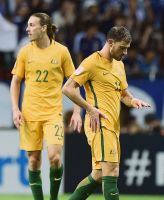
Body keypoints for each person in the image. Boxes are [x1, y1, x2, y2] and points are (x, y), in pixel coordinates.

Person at [62, 26, 151, 200]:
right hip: (99, 124)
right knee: (112, 171)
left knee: (99, 174)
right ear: (110, 43)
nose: (125, 52)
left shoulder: (119, 65)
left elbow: (123, 94)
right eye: (122, 47)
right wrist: (89, 108)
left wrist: (133, 101)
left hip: (112, 126)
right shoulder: (91, 62)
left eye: (127, 48)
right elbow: (68, 89)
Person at [10, 13, 82, 200]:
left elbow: (74, 82)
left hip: (52, 114)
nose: (27, 29)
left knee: (54, 157)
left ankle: (53, 198)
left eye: (32, 25)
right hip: (29, 113)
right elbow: (15, 81)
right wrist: (15, 109)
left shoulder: (61, 52)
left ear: (44, 28)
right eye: (27, 25)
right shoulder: (25, 52)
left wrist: (76, 110)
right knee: (33, 161)